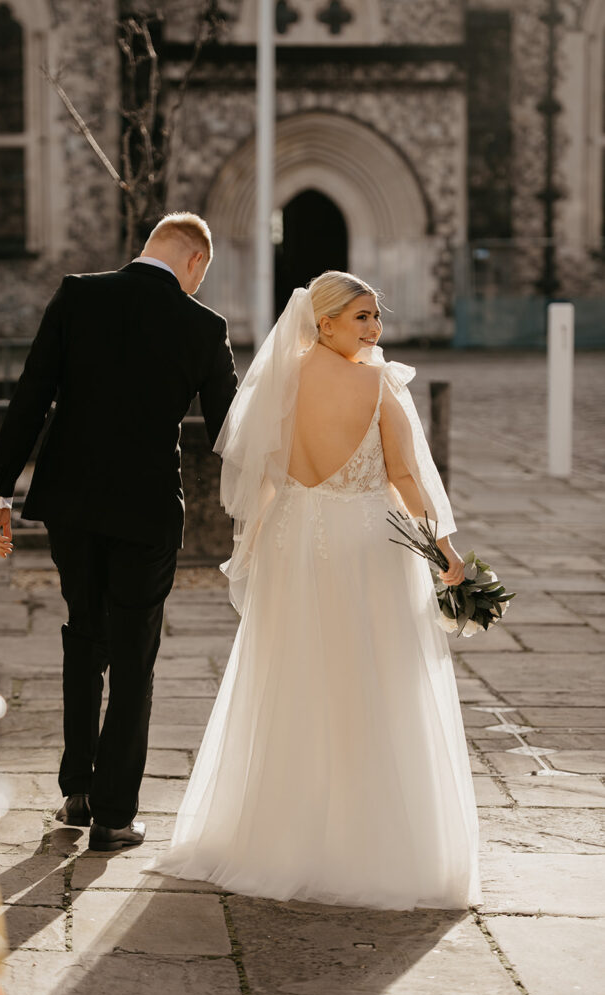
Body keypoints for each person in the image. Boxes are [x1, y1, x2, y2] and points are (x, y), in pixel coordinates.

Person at [145, 271, 482, 910]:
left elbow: (262, 472)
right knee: (373, 680)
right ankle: (374, 845)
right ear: (323, 322)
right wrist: (445, 550)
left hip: (293, 538)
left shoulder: (280, 380)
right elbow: (406, 475)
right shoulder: (380, 384)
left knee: (292, 677)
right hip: (364, 539)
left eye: (376, 318)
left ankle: (276, 837)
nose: (374, 330)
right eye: (360, 319)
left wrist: (256, 545)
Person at [0, 212, 238, 852]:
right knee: (134, 657)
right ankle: (114, 816)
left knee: (82, 635)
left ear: (148, 248)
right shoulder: (205, 327)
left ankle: (76, 792)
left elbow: (32, 394)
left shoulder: (78, 294)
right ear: (194, 263)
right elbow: (230, 431)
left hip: (72, 504)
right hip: (148, 511)